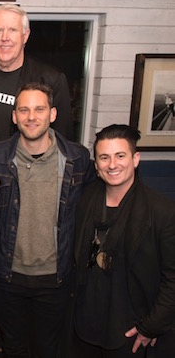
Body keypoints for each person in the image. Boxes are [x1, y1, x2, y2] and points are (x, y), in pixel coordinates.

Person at [0, 82, 94, 357]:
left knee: (48, 349)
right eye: (24, 110)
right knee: (13, 347)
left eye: (39, 109)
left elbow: (93, 206)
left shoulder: (77, 158)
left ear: (53, 114)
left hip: (55, 279)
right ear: (14, 116)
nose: (31, 116)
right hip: (6, 275)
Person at [73, 124, 175, 357]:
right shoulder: (84, 200)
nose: (112, 164)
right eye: (104, 157)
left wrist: (151, 326)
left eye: (120, 156)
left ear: (136, 159)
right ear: (96, 165)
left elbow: (172, 278)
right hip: (82, 328)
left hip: (130, 333)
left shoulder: (162, 212)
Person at [0, 3, 73, 144]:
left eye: (12, 30)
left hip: (26, 164)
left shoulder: (51, 80)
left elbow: (63, 139)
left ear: (25, 36)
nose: (5, 37)